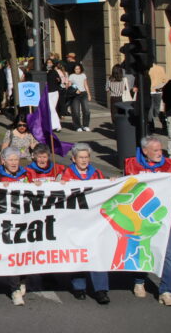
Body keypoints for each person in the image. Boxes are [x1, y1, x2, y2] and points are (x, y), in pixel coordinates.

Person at [123, 135, 171, 306]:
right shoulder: (132, 164)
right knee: (144, 249)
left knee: (168, 255)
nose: (160, 153)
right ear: (145, 151)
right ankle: (139, 281)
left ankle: (166, 291)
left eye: (161, 150)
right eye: (156, 150)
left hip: (165, 216)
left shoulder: (169, 164)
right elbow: (125, 187)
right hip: (141, 217)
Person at [60, 142, 110, 304]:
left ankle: (101, 290)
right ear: (74, 159)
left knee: (97, 253)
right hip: (75, 222)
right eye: (80, 157)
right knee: (78, 253)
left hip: (94, 221)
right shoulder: (66, 173)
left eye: (86, 157)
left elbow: (107, 190)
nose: (84, 160)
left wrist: (113, 182)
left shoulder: (97, 173)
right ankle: (79, 286)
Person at [0, 147, 32, 305]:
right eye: (10, 160)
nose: (14, 163)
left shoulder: (26, 175)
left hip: (25, 221)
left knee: (25, 253)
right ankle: (14, 290)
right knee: (12, 255)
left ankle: (22, 280)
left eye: (16, 159)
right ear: (3, 161)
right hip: (5, 223)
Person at [68, 63, 91, 132]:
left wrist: (89, 94)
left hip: (83, 94)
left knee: (86, 111)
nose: (77, 70)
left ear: (80, 69)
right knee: (76, 111)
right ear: (73, 69)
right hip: (75, 95)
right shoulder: (71, 76)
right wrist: (75, 90)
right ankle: (77, 126)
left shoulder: (83, 75)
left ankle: (85, 125)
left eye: (78, 69)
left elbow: (86, 85)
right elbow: (69, 86)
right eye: (75, 69)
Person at [46, 58, 63, 131]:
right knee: (51, 108)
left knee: (52, 108)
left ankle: (55, 125)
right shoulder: (45, 72)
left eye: (50, 62)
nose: (49, 64)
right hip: (48, 93)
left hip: (54, 92)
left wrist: (58, 80)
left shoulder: (54, 72)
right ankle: (56, 125)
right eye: (48, 62)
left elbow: (59, 80)